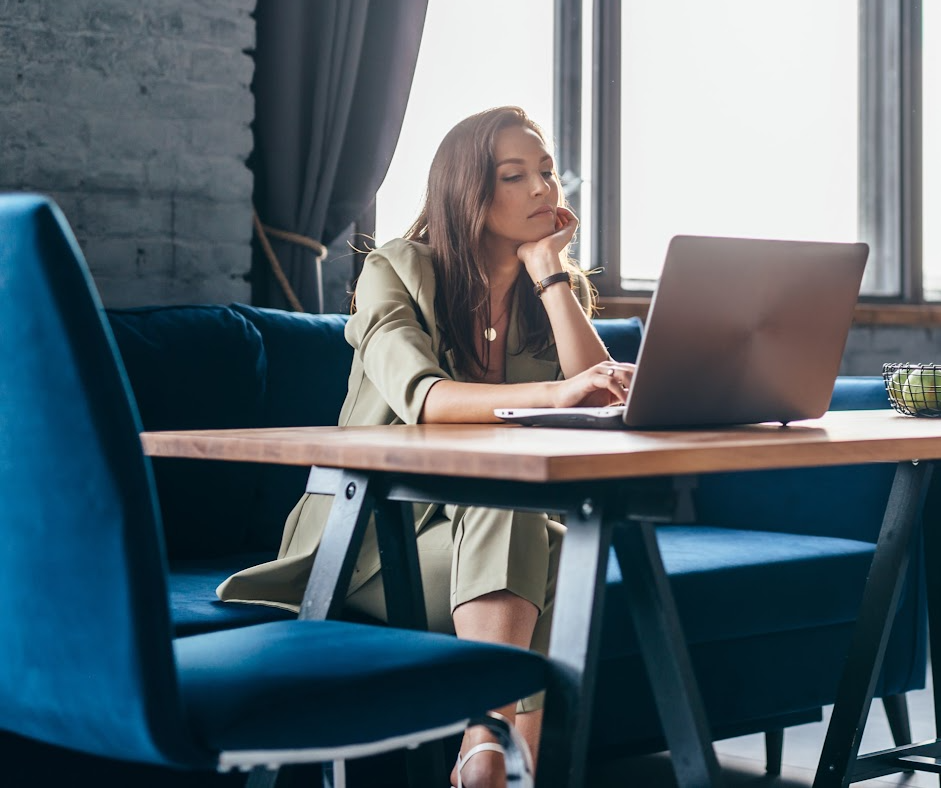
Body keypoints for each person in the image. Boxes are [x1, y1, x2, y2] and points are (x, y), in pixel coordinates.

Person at [219, 106, 635, 788]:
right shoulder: (395, 271)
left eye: (548, 172)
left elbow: (601, 389)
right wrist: (551, 397)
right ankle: (498, 751)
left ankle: (488, 751)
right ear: (468, 189)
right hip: (374, 543)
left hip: (479, 540)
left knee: (551, 533)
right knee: (535, 526)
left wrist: (550, 272)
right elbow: (425, 397)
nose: (542, 190)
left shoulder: (546, 292)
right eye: (515, 176)